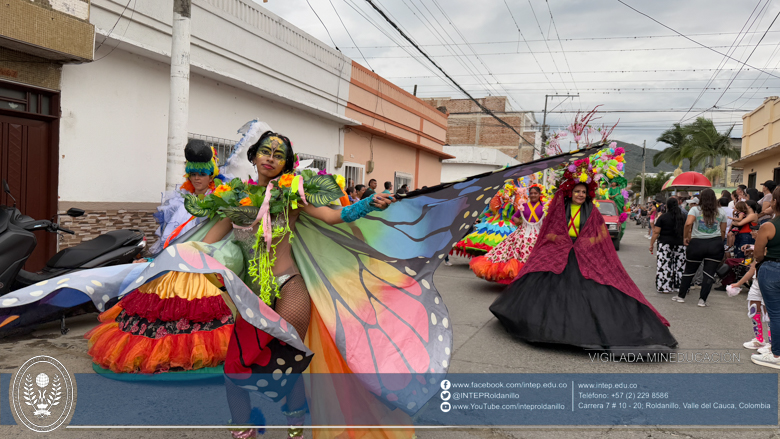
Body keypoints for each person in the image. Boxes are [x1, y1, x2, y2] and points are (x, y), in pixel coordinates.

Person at [490, 158, 677, 354]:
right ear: (570, 193)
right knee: (552, 293)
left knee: (589, 294)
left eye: (583, 192)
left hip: (583, 258)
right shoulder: (560, 210)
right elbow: (549, 231)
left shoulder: (593, 212)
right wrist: (555, 237)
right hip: (561, 256)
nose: (580, 195)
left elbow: (601, 234)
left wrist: (589, 241)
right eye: (577, 191)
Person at [146, 139, 225, 257]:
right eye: (193, 174)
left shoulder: (217, 200)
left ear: (210, 177)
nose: (197, 178)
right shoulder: (180, 200)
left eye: (202, 174)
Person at [470, 184, 547, 284]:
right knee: (512, 253)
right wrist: (516, 220)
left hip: (537, 234)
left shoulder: (544, 207)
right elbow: (514, 216)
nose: (533, 195)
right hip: (522, 233)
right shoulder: (523, 206)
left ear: (539, 194)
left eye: (535, 193)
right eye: (531, 193)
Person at [672, 189, 727, 307]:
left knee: (689, 270)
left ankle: (681, 296)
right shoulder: (721, 212)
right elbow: (723, 230)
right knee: (709, 273)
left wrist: (686, 237)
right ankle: (702, 300)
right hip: (715, 244)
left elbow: (688, 224)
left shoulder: (695, 209)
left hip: (697, 243)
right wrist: (719, 241)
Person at [728, 226, 772, 352]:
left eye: (755, 230)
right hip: (756, 282)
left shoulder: (771, 247)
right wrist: (738, 284)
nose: (752, 232)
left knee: (768, 314)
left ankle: (772, 344)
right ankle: (759, 339)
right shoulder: (757, 247)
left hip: (769, 281)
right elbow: (753, 268)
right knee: (753, 309)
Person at [750, 186, 780, 368]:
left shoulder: (769, 226)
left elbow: (758, 255)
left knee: (776, 314)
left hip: (772, 270)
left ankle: (776, 354)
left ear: (775, 202)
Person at [650, 198, 686, 294]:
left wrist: (651, 244)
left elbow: (656, 232)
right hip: (680, 244)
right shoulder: (683, 217)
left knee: (664, 265)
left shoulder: (663, 217)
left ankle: (665, 287)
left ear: (667, 206)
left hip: (665, 244)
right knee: (680, 266)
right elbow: (688, 230)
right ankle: (679, 286)